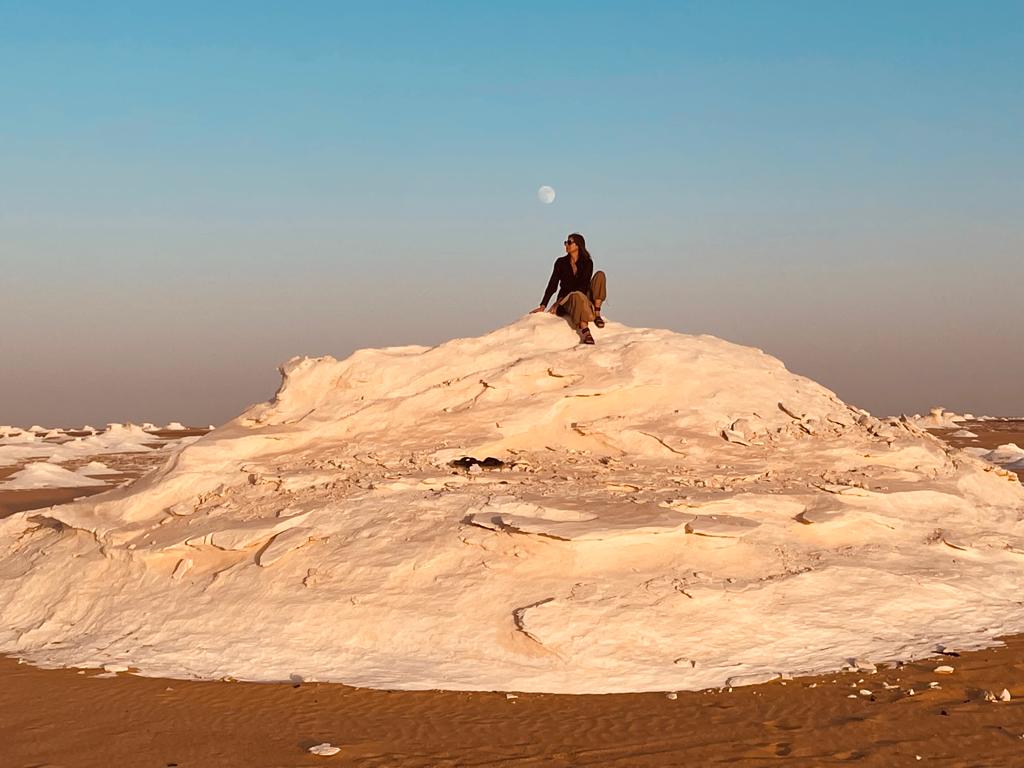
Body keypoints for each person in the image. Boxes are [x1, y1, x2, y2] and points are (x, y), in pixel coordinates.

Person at [530, 233, 607, 344]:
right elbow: (553, 284)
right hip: (568, 301)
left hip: (583, 295)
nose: (566, 245)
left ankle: (597, 314)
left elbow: (583, 284)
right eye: (566, 242)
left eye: (569, 242)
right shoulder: (561, 262)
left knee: (600, 275)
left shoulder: (587, 263)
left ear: (578, 245)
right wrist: (543, 305)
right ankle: (586, 332)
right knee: (576, 296)